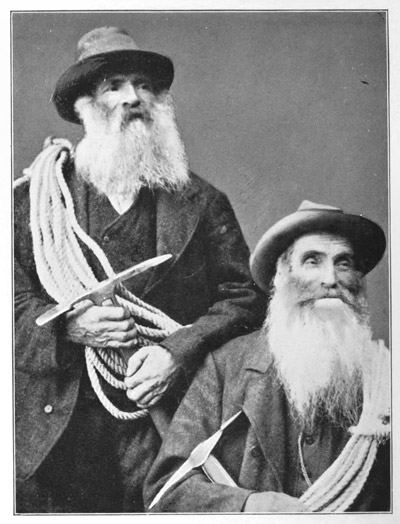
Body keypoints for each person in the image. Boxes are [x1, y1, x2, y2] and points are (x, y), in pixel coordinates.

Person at [14, 26, 265, 513]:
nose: (134, 98)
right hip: (58, 428)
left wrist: (176, 352)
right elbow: (11, 302)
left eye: (145, 86)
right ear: (84, 106)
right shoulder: (32, 202)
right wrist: (68, 327)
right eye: (115, 86)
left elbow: (246, 299)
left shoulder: (202, 202)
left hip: (165, 421)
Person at [144, 200, 390, 513]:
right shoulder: (225, 366)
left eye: (343, 263)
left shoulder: (384, 381)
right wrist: (247, 506)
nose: (330, 278)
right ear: (282, 276)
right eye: (312, 261)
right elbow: (166, 489)